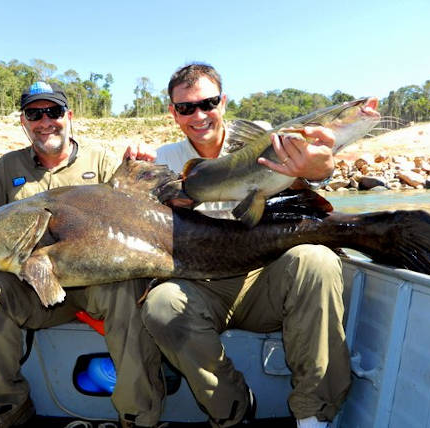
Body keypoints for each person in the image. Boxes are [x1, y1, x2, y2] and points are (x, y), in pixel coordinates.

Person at [127, 63, 350, 428]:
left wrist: (319, 170)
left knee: (317, 260)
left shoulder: (265, 138)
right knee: (161, 304)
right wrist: (134, 168)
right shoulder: (163, 159)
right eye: (186, 108)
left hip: (263, 276)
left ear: (224, 101)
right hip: (201, 285)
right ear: (173, 112)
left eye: (208, 103)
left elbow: (316, 184)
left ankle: (313, 414)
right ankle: (232, 408)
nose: (199, 116)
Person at [0, 81, 164, 428]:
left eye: (53, 111)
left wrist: (147, 166)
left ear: (69, 115)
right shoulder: (5, 169)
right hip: (31, 290)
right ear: (24, 121)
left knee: (128, 290)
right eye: (35, 114)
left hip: (96, 285)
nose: (45, 121)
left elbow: (141, 214)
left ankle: (137, 417)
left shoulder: (104, 162)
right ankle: (8, 413)